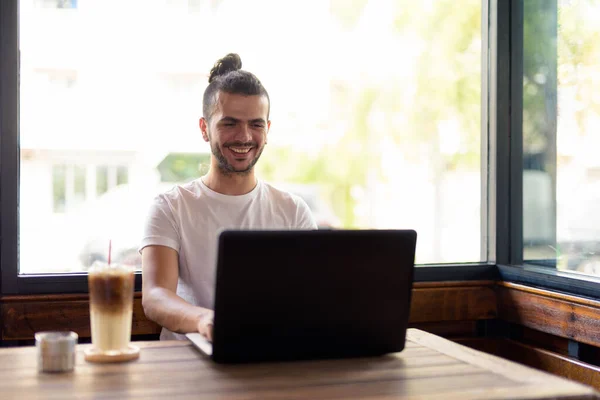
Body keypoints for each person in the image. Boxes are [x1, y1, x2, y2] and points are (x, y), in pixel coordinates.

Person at [140, 53, 317, 341]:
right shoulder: (171, 206)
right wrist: (206, 320)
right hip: (186, 369)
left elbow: (311, 296)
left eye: (256, 124)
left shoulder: (293, 211)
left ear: (267, 130)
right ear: (204, 129)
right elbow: (156, 296)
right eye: (229, 123)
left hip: (266, 363)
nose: (244, 136)